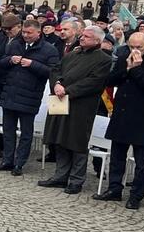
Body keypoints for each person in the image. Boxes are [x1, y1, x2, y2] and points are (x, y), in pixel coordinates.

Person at [91, 32, 144, 209]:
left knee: (141, 162)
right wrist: (126, 69)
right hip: (122, 114)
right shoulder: (123, 57)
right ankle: (114, 189)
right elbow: (110, 81)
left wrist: (136, 69)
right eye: (131, 47)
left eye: (138, 47)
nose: (134, 50)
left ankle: (136, 195)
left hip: (143, 117)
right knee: (117, 157)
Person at [39, 25, 111, 195]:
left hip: (81, 106)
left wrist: (68, 91)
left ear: (97, 41)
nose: (82, 38)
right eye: (82, 35)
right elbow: (56, 69)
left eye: (86, 36)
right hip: (60, 100)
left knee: (77, 142)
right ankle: (60, 176)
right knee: (59, 139)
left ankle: (76, 180)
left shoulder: (103, 59)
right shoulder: (74, 53)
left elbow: (94, 82)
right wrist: (56, 84)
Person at [0, 20, 59, 176]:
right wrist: (10, 60)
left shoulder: (49, 50)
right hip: (10, 93)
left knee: (25, 133)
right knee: (8, 130)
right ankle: (7, 160)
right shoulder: (15, 44)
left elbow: (53, 72)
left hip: (30, 95)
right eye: (23, 32)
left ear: (39, 32)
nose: (25, 35)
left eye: (29, 33)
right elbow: (1, 62)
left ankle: (19, 163)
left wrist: (33, 64)